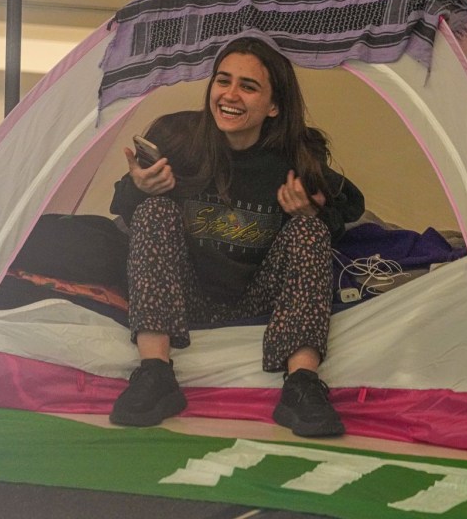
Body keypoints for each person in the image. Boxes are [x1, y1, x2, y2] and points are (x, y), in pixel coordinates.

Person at [108, 36, 365, 437]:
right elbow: (122, 205)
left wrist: (314, 212)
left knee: (309, 231)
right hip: (187, 292)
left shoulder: (295, 154)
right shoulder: (177, 138)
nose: (230, 95)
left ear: (274, 105)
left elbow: (350, 206)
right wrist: (141, 187)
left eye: (248, 86)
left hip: (259, 297)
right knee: (154, 210)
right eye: (222, 81)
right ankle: (155, 373)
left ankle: (301, 385)